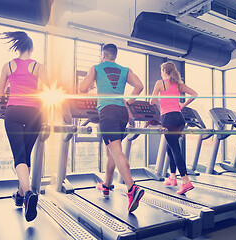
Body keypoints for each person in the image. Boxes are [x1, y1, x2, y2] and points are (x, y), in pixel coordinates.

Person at [79, 43, 145, 213]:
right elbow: (139, 86)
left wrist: (93, 84)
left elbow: (81, 88)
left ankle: (132, 188)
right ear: (115, 55)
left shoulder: (96, 68)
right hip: (122, 112)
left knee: (115, 151)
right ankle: (106, 185)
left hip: (107, 111)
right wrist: (128, 102)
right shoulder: (125, 70)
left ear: (103, 55)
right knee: (112, 151)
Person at [0, 31, 50, 222]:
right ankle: (21, 195)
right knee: (26, 155)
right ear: (32, 49)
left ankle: (26, 194)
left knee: (19, 155)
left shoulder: (8, 65)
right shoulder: (38, 66)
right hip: (34, 112)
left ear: (18, 48)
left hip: (14, 112)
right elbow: (46, 91)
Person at [150, 61, 197, 195]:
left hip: (168, 118)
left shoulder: (160, 83)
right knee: (170, 147)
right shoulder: (178, 84)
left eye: (161, 71)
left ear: (164, 70)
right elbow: (194, 94)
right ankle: (172, 178)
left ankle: (186, 181)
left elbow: (152, 101)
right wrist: (182, 105)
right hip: (179, 118)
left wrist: (153, 100)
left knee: (175, 149)